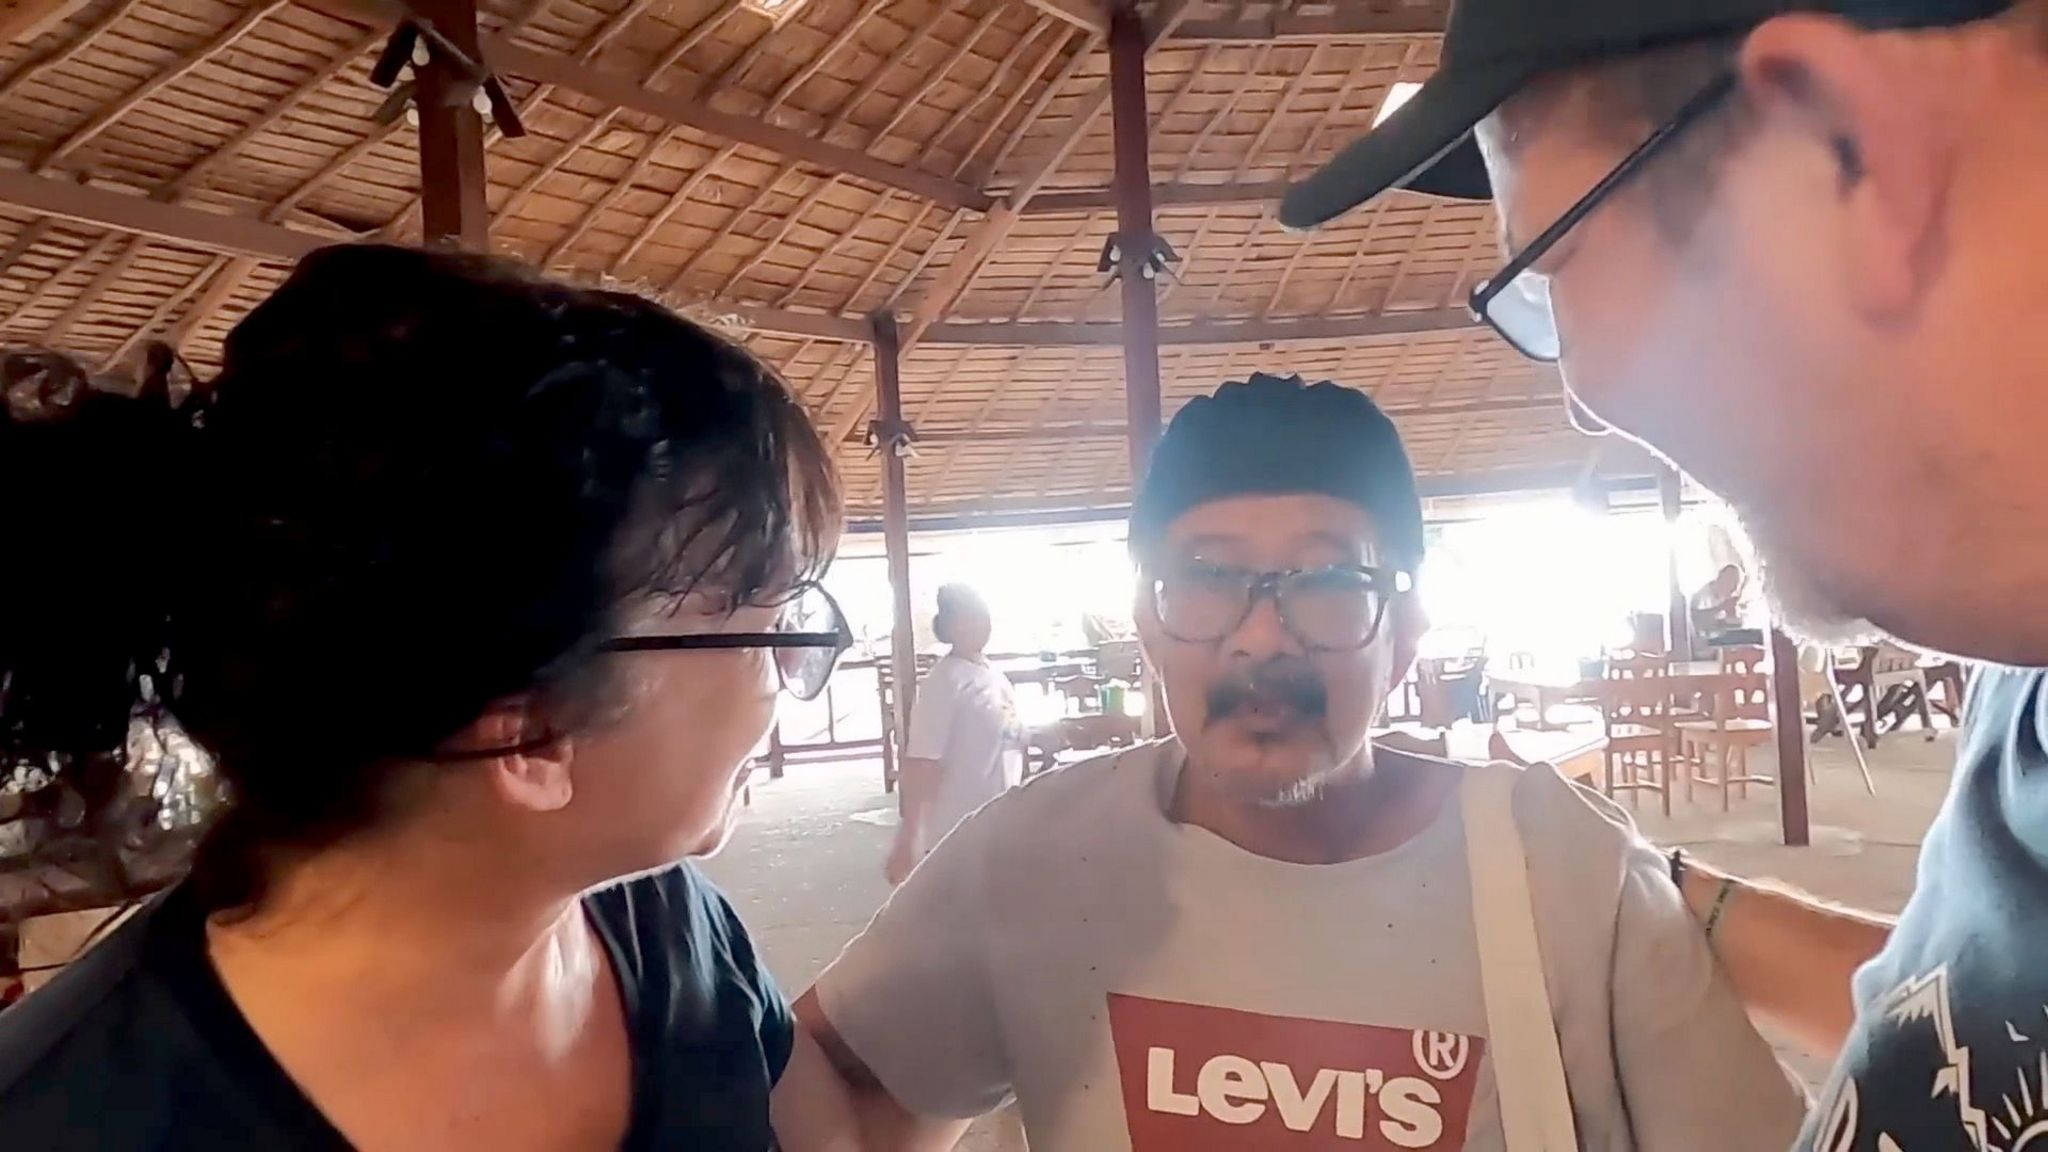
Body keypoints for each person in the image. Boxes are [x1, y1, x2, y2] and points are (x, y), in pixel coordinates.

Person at [1276, 0, 2048, 1145]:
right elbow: (1967, 1035)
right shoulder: (2019, 672)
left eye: (1549, 259)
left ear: (1845, 146)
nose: (1581, 397)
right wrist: (1627, 880)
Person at [797, 373, 1804, 1152]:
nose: (1260, 639)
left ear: (1405, 628)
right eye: (1206, 578)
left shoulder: (1567, 869)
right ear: (1149, 622)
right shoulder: (1027, 859)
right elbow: (835, 1078)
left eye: (1325, 579)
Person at [0, 244, 863, 1151]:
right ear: (532, 735)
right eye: (767, 630)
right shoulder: (80, 1117)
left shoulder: (667, 926)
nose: (785, 683)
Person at [886, 584, 1022, 886]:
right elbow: (922, 762)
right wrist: (909, 836)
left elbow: (1007, 734)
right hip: (959, 828)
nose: (983, 623)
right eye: (972, 616)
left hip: (1000, 820)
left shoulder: (993, 674)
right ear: (951, 626)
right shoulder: (945, 681)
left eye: (984, 614)